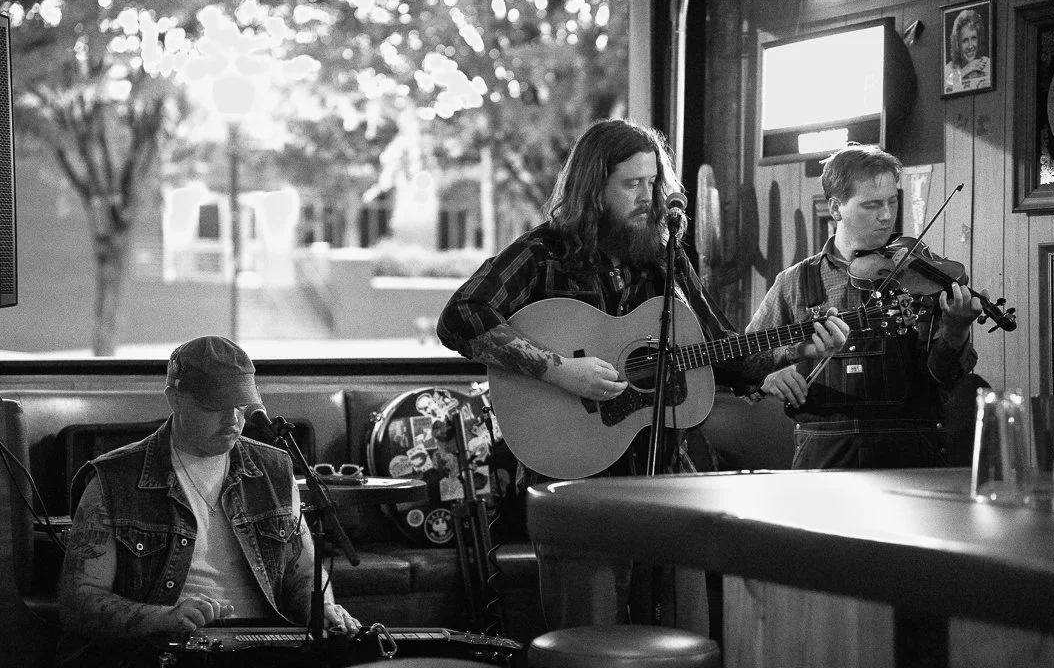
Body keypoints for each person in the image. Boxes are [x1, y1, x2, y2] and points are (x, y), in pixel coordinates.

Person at [437, 118, 848, 633]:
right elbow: (461, 317)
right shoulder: (542, 253)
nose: (648, 196)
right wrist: (560, 370)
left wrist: (792, 346)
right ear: (594, 187)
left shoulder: (663, 256)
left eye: (654, 182)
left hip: (665, 481)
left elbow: (722, 350)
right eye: (631, 184)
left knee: (683, 635)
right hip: (574, 482)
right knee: (590, 642)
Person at [56, 336, 362, 667]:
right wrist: (162, 617)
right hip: (163, 649)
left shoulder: (275, 468)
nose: (232, 420)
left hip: (269, 645)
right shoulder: (114, 479)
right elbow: (79, 602)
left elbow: (300, 572)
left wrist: (323, 610)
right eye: (215, 407)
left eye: (240, 406)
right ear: (174, 399)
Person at [742, 144, 982, 469]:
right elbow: (743, 364)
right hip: (824, 453)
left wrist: (956, 330)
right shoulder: (794, 282)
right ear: (836, 208)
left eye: (892, 202)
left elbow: (945, 377)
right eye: (871, 205)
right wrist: (767, 378)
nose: (886, 215)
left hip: (909, 451)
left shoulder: (921, 277)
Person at [944, 8, 990, 94]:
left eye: (973, 38)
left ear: (979, 39)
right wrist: (966, 70)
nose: (970, 46)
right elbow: (947, 88)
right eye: (965, 40)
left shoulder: (987, 63)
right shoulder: (949, 69)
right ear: (958, 44)